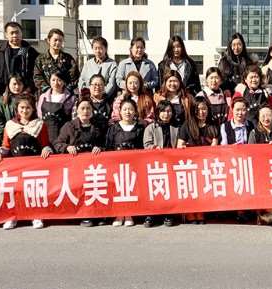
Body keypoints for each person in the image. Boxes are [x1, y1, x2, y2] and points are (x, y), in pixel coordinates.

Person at [0, 93, 51, 230]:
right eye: (22, 108)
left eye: (28, 108)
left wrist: (46, 149)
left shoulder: (39, 124)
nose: (25, 111)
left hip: (34, 165)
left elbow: (45, 144)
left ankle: (36, 215)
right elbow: (6, 146)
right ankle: (12, 217)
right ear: (17, 108)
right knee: (15, 191)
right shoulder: (10, 125)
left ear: (33, 109)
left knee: (33, 191)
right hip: (16, 166)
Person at [55, 98, 106, 228]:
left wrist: (99, 148)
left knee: (94, 191)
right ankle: (84, 215)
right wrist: (67, 147)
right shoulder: (69, 126)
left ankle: (98, 214)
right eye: (82, 108)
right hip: (75, 168)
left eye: (88, 108)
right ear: (77, 111)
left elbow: (105, 144)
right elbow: (57, 143)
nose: (85, 111)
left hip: (93, 168)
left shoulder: (97, 127)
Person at [178, 97, 219, 224]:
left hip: (206, 164)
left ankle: (201, 211)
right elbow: (180, 145)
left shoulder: (213, 125)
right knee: (191, 187)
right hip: (190, 164)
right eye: (199, 109)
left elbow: (215, 145)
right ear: (194, 110)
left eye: (204, 109)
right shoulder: (187, 125)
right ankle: (190, 212)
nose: (202, 112)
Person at [106, 98, 145, 227]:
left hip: (134, 165)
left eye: (130, 109)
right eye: (125, 109)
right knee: (118, 189)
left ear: (135, 112)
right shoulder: (113, 128)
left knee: (131, 189)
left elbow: (143, 147)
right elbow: (108, 147)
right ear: (120, 111)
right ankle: (118, 214)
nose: (128, 112)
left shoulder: (140, 128)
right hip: (116, 165)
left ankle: (129, 213)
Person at [142, 100, 180, 228]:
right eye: (163, 111)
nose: (166, 114)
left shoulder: (177, 127)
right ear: (158, 112)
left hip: (172, 163)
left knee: (169, 190)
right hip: (155, 164)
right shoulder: (151, 127)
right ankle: (151, 214)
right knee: (155, 190)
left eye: (169, 111)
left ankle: (168, 213)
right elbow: (146, 145)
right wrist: (154, 148)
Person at [0, 21, 39, 94]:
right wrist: (2, 88)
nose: (15, 35)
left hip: (26, 94)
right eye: (12, 33)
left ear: (21, 33)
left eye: (17, 32)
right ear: (6, 35)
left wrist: (29, 88)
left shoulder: (30, 52)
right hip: (5, 93)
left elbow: (37, 72)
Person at [33, 28, 79, 94]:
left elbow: (75, 77)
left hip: (65, 95)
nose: (58, 43)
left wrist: (65, 90)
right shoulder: (40, 59)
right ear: (48, 40)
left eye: (60, 41)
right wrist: (49, 91)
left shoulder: (68, 58)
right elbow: (37, 77)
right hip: (46, 95)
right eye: (55, 40)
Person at [36, 71, 76, 142]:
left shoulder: (71, 98)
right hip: (45, 135)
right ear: (49, 81)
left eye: (59, 80)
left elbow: (73, 119)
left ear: (64, 82)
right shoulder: (43, 97)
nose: (56, 83)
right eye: (53, 80)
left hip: (63, 136)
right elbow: (39, 116)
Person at [78, 36, 118, 101]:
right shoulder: (88, 64)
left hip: (105, 99)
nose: (98, 51)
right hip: (88, 98)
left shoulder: (112, 64)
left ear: (106, 49)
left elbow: (111, 84)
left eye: (100, 48)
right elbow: (82, 81)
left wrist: (102, 96)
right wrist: (86, 95)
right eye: (95, 48)